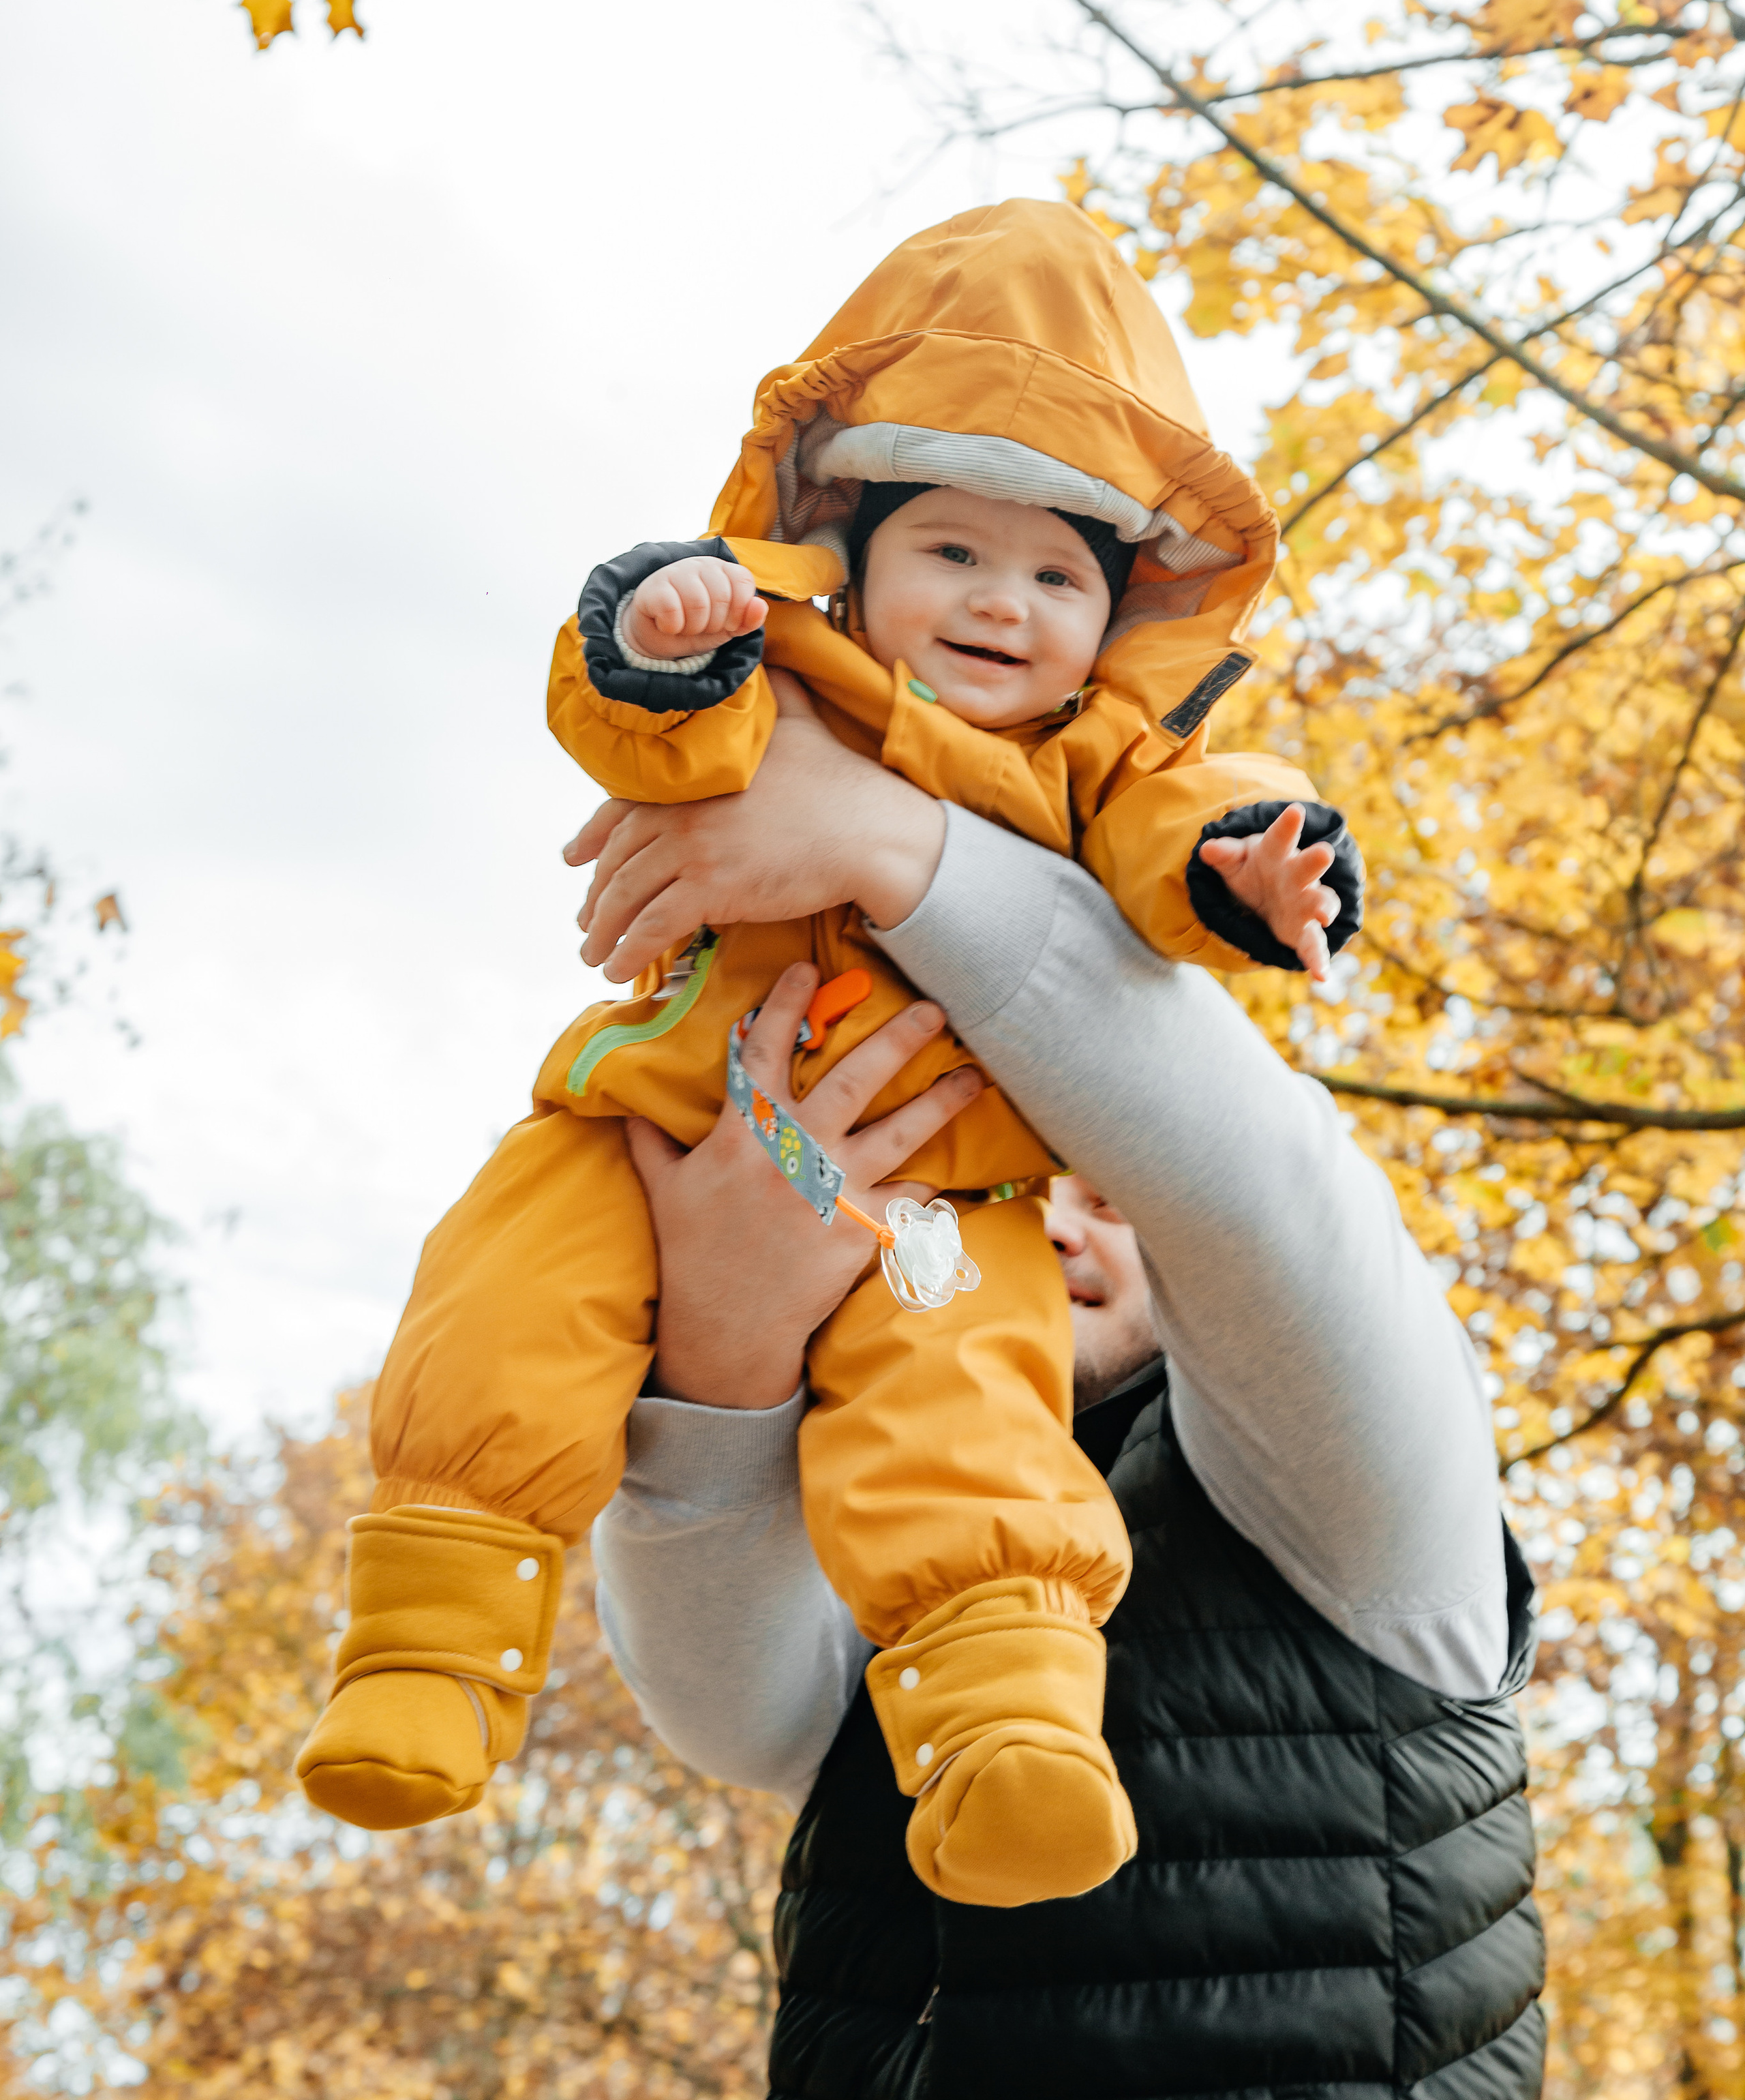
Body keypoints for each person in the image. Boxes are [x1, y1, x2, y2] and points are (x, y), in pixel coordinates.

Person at [296, 200, 1363, 1913]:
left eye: (1057, 575)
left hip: (927, 1198)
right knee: (506, 1301)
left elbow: (1191, 819)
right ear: (849, 555)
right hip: (651, 1119)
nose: (1004, 606)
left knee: (963, 1396)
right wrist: (666, 638)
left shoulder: (1097, 764)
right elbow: (658, 722)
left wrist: (1251, 865)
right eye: (952, 551)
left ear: (1120, 618)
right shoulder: (789, 672)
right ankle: (427, 1641)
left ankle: (1006, 1711)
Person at [579, 694, 1545, 2100]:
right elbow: (732, 1704)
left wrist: (893, 839)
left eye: (1090, 1179)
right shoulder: (892, 1499)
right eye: (997, 1187)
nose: (1054, 1224)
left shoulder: (1354, 1494)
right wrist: (726, 1342)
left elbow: (1252, 1184)